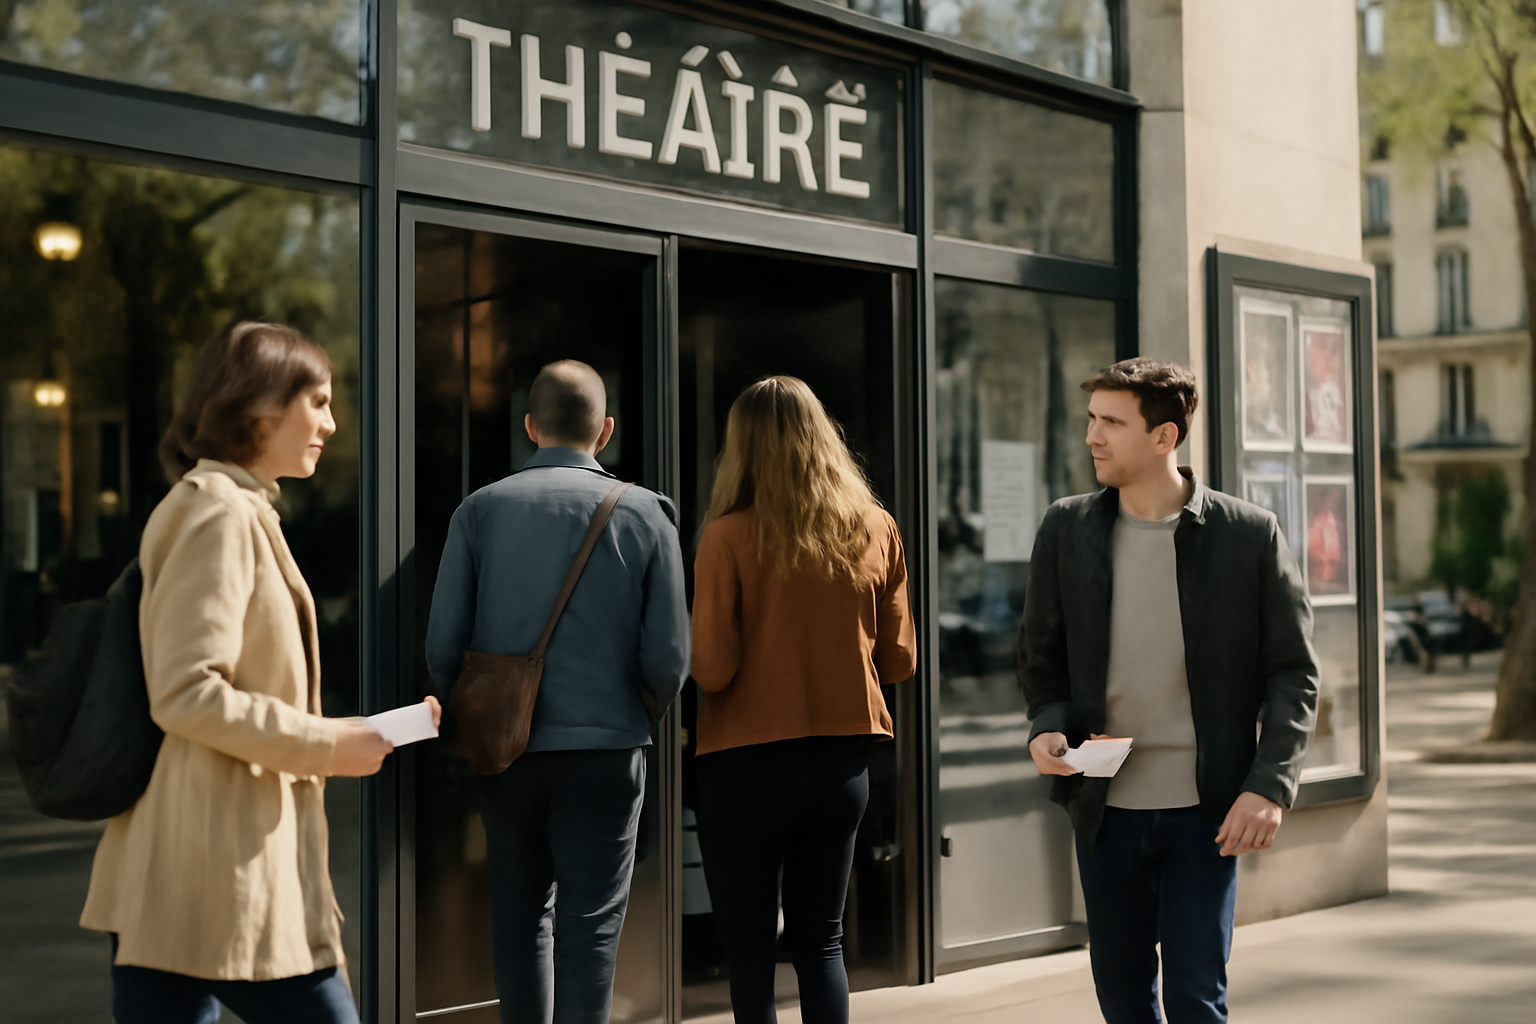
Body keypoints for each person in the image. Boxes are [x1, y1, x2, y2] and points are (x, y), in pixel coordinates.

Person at [80, 320, 438, 1024]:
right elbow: (186, 692)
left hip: (207, 870)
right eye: (320, 402)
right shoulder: (217, 513)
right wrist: (327, 745)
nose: (332, 424)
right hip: (217, 872)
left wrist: (353, 731)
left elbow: (238, 689)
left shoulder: (239, 507)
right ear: (259, 406)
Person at [1019, 358, 1319, 1024]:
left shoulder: (1248, 536)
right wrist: (1047, 725)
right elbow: (1043, 660)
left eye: (1112, 423)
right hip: (1104, 806)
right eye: (1092, 419)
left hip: (1205, 812)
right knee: (1123, 999)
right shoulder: (1066, 531)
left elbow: (1294, 671)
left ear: (1164, 437)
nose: (1093, 437)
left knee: (1195, 998)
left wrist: (1269, 784)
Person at [425, 360, 689, 1024]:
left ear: (529, 427)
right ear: (605, 431)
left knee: (519, 921)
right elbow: (670, 658)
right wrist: (628, 712)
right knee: (590, 928)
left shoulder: (478, 512)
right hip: (606, 749)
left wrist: (480, 714)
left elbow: (441, 649)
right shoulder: (648, 515)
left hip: (504, 754)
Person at [690, 376, 917, 1024]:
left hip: (742, 763)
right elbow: (900, 661)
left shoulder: (726, 537)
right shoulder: (876, 527)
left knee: (749, 947)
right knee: (822, 941)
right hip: (839, 764)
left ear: (741, 449)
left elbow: (711, 668)